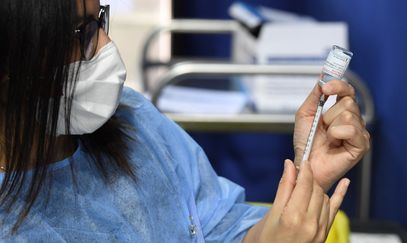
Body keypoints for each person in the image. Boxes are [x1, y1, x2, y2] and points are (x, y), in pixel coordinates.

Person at [0, 0, 370, 242]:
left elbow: (217, 227)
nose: (106, 46)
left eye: (99, 20)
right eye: (80, 33)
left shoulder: (131, 121)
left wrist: (308, 175)